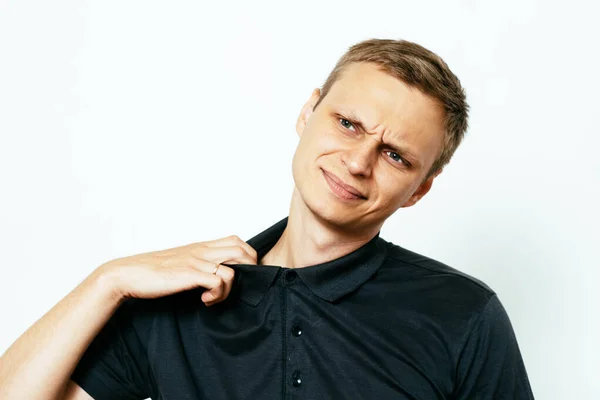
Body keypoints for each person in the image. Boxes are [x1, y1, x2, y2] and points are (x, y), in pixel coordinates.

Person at [0, 38, 534, 399]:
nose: (357, 162)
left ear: (420, 190)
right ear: (308, 113)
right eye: (347, 123)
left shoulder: (464, 316)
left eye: (396, 155)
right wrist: (108, 281)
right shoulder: (178, 303)